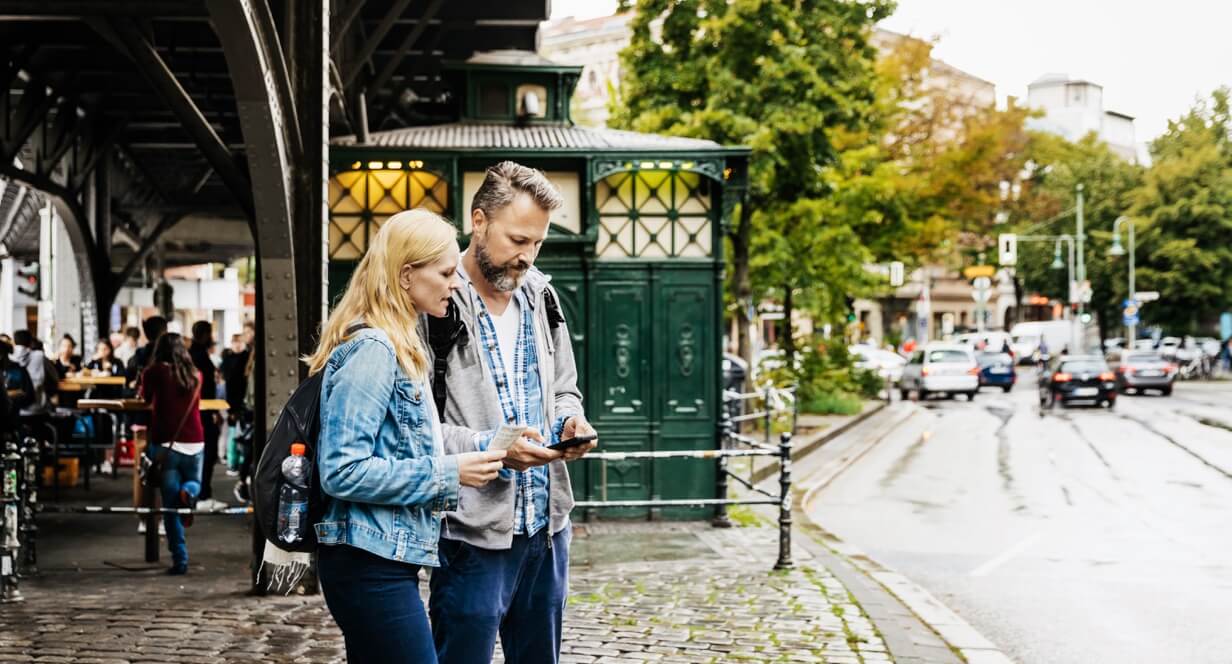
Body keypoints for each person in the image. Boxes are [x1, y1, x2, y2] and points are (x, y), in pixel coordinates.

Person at [306, 208, 508, 664]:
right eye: (444, 273)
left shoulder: (398, 340)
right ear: (405, 275)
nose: (455, 283)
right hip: (366, 565)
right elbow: (342, 471)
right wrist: (448, 474)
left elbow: (409, 436)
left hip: (378, 560)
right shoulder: (373, 349)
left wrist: (484, 446)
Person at [426, 161, 598, 664]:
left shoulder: (542, 295)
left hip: (546, 529)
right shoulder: (434, 300)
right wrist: (494, 450)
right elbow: (411, 429)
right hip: (468, 534)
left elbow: (566, 388)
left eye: (538, 243)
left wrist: (571, 420)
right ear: (478, 220)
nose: (527, 257)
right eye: (518, 239)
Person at [139, 332, 205, 575]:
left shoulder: (154, 372)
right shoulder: (196, 373)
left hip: (167, 445)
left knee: (170, 508)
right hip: (196, 441)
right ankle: (189, 492)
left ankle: (181, 560)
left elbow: (145, 398)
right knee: (195, 482)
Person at [188, 321, 224, 510]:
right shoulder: (200, 356)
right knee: (208, 452)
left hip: (195, 411)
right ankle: (203, 495)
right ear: (205, 334)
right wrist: (214, 412)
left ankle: (197, 493)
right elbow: (207, 387)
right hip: (204, 411)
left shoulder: (190, 354)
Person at [220, 333, 249, 474]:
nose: (237, 345)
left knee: (237, 434)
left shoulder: (229, 359)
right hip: (235, 401)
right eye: (235, 342)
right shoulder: (245, 358)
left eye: (239, 342)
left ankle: (237, 463)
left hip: (240, 401)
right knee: (236, 434)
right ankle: (234, 462)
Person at [126, 316, 167, 394]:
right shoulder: (174, 354)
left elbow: (129, 381)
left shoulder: (139, 355)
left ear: (146, 333)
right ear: (165, 331)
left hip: (143, 398)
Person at [12, 330, 49, 414]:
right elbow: (54, 378)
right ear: (30, 342)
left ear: (14, 342)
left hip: (13, 408)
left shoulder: (9, 358)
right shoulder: (39, 356)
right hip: (37, 407)